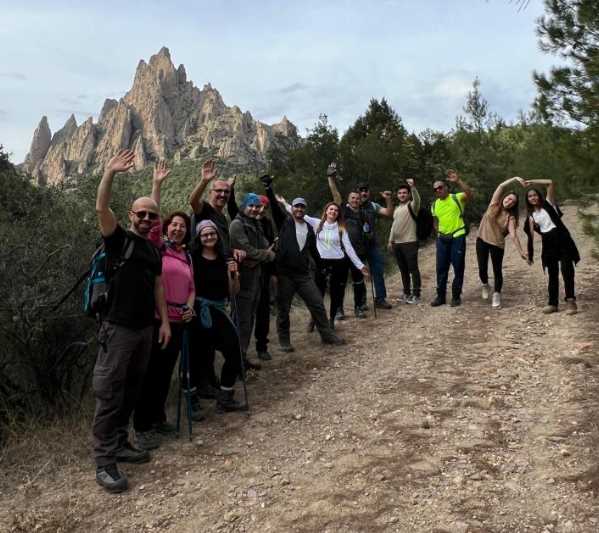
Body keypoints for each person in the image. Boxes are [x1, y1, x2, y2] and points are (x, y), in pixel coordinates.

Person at [93, 149, 171, 493]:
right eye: (141, 214)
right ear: (130, 215)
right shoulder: (118, 240)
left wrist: (164, 322)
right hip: (118, 329)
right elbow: (101, 208)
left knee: (131, 390)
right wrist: (110, 173)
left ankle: (121, 443)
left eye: (151, 216)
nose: (146, 219)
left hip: (144, 329)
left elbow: (157, 285)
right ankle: (104, 461)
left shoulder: (153, 248)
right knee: (110, 394)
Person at [133, 162, 196, 451]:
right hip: (159, 321)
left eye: (183, 226)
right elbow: (152, 221)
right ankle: (143, 427)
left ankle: (157, 419)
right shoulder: (159, 247)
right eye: (174, 225)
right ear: (167, 228)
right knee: (150, 374)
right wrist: (157, 184)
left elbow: (192, 288)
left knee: (164, 374)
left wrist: (190, 307)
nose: (178, 229)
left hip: (179, 320)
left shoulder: (186, 257)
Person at [260, 175, 344, 351]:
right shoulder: (285, 222)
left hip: (303, 275)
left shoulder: (309, 229)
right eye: (296, 206)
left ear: (305, 209)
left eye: (302, 207)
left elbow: (314, 252)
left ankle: (326, 335)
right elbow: (275, 208)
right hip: (285, 274)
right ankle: (284, 341)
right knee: (284, 309)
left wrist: (324, 267)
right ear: (292, 209)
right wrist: (269, 187)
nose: (299, 209)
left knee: (317, 303)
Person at [278, 196, 369, 329]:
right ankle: (314, 318)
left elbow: (348, 248)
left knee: (336, 293)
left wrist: (360, 266)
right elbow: (297, 213)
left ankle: (331, 320)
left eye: (336, 210)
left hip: (339, 263)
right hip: (321, 264)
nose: (333, 212)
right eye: (331, 209)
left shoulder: (341, 228)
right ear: (326, 211)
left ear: (338, 214)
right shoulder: (316, 223)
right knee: (317, 294)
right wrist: (283, 203)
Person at [189, 219, 245, 413]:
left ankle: (225, 396)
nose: (209, 237)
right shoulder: (192, 258)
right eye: (204, 234)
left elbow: (233, 292)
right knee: (195, 357)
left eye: (212, 233)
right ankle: (192, 399)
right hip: (197, 311)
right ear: (199, 238)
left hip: (219, 310)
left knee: (234, 350)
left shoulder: (225, 258)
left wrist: (234, 275)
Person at [229, 193, 276, 370]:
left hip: (256, 279)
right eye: (251, 206)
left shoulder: (255, 223)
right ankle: (235, 362)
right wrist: (266, 255)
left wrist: (261, 254)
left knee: (248, 321)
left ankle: (242, 358)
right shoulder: (237, 224)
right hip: (242, 281)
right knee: (241, 321)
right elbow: (246, 249)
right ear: (244, 206)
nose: (255, 209)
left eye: (257, 206)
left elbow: (264, 244)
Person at [524, 179, 580, 314]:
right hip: (548, 244)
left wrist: (531, 182)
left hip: (562, 240)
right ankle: (553, 303)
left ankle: (571, 301)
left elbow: (550, 182)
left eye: (535, 195)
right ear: (528, 200)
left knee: (567, 271)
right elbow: (530, 237)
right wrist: (529, 254)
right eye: (530, 196)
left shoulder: (549, 204)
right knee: (552, 274)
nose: (533, 198)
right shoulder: (531, 216)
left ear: (539, 196)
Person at [476, 176, 529, 309]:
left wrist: (521, 251)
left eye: (513, 201)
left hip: (497, 244)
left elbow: (513, 235)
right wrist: (515, 179)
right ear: (504, 197)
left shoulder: (510, 217)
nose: (510, 201)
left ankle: (497, 295)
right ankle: (485, 284)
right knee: (482, 268)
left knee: (497, 270)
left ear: (514, 205)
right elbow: (501, 186)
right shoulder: (494, 204)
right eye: (509, 198)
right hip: (482, 239)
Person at [327, 163, 368, 318]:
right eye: (352, 198)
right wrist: (331, 178)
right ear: (348, 200)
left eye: (357, 198)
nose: (355, 200)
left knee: (358, 281)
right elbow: (335, 196)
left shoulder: (363, 213)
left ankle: (359, 308)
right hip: (342, 253)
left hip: (359, 252)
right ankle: (338, 310)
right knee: (340, 283)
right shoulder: (342, 210)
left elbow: (368, 231)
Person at [189, 159, 246, 262]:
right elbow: (193, 201)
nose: (223, 194)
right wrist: (204, 181)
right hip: (203, 266)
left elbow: (221, 245)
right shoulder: (205, 209)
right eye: (219, 191)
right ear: (210, 192)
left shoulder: (223, 217)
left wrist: (232, 251)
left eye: (226, 192)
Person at [430, 169, 473, 307]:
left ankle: (455, 296)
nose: (438, 190)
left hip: (457, 236)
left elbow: (469, 194)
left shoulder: (456, 197)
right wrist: (438, 233)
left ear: (446, 187)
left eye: (440, 187)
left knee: (458, 267)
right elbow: (435, 221)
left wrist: (458, 180)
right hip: (442, 239)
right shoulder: (434, 204)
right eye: (435, 189)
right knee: (441, 268)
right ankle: (441, 297)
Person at [357, 182, 394, 309]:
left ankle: (380, 299)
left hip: (372, 244)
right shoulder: (351, 206)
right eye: (361, 191)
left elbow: (389, 213)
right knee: (359, 273)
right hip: (357, 246)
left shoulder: (373, 205)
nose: (363, 193)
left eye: (365, 190)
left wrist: (388, 200)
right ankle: (361, 302)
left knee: (378, 271)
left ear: (369, 192)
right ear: (357, 193)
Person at [387, 179, 422, 304]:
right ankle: (406, 293)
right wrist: (390, 240)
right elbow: (394, 225)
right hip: (397, 243)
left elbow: (417, 200)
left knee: (413, 269)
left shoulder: (412, 206)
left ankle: (416, 294)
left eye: (404, 193)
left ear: (408, 194)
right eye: (400, 193)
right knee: (403, 270)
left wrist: (413, 187)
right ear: (397, 195)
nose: (402, 195)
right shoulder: (397, 209)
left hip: (410, 242)